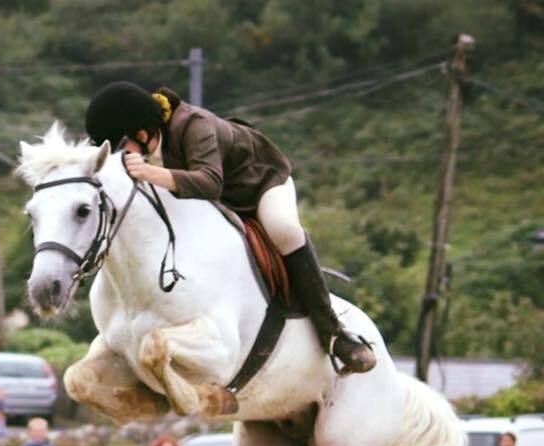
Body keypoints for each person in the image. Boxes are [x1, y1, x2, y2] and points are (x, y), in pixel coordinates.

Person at [84, 82, 375, 376]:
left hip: (259, 184)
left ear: (142, 133)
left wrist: (150, 173)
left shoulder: (194, 126)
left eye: (122, 148)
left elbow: (210, 182)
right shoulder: (146, 147)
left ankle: (334, 332)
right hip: (219, 199)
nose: (121, 157)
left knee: (284, 229)